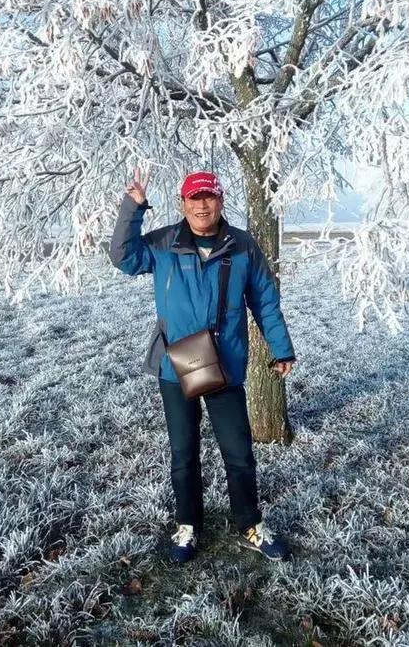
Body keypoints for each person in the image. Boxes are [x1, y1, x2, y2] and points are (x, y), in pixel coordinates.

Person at [109, 168, 296, 564]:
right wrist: (134, 207)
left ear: (220, 201)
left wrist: (281, 349)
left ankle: (249, 523)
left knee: (240, 453)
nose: (201, 205)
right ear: (183, 204)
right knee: (184, 452)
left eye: (208, 197)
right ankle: (188, 525)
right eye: (194, 198)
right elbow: (123, 258)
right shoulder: (162, 243)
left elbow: (264, 300)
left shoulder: (242, 245)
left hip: (224, 365)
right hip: (175, 367)